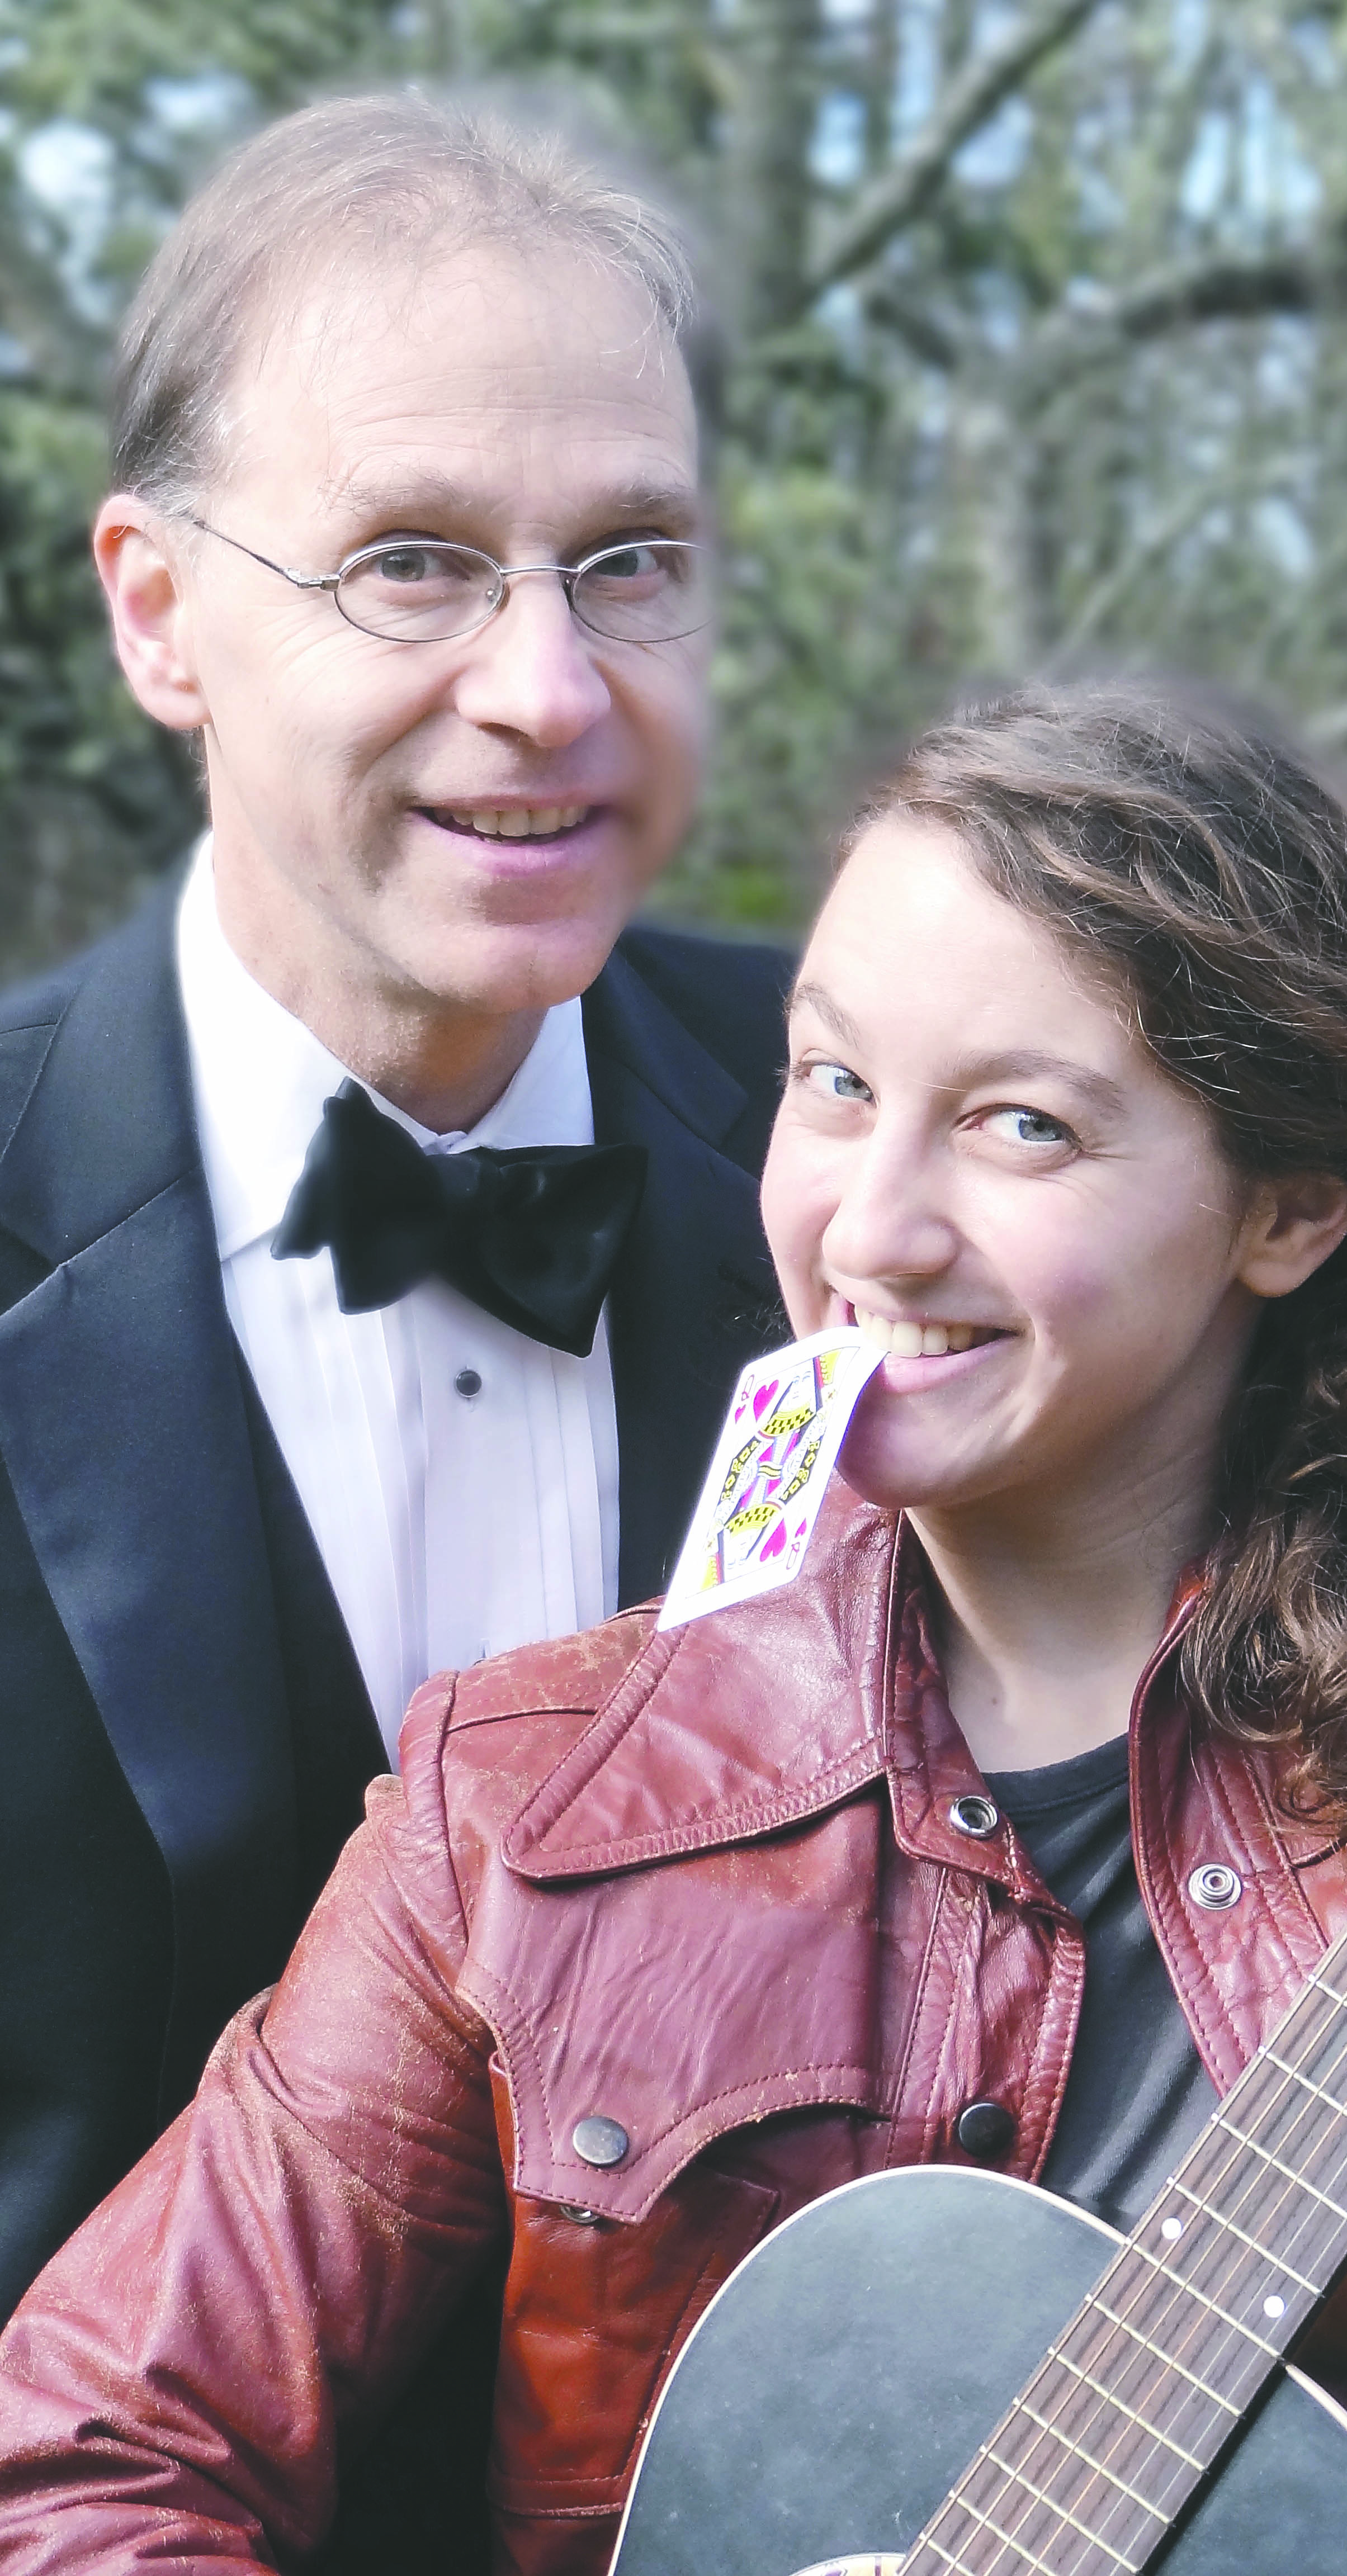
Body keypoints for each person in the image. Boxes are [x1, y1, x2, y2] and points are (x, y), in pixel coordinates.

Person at [2, 681, 1347, 2576]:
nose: (872, 1232)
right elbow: (89, 2454)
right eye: (834, 1085)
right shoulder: (524, 1809)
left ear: (1289, 1210)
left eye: (1019, 1128)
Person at [0, 94, 793, 2357]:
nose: (548, 692)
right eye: (413, 561)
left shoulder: (889, 1130)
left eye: (627, 558)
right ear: (160, 615)